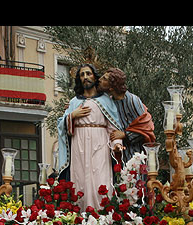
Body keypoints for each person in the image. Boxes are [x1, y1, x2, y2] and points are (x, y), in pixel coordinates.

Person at [56, 64, 124, 210]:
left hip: (100, 144)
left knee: (101, 178)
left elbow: (113, 126)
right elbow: (61, 125)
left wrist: (117, 143)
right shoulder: (74, 102)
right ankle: (81, 216)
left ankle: (102, 214)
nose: (85, 77)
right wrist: (72, 116)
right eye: (82, 75)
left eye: (88, 73)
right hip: (78, 145)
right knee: (80, 180)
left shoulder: (106, 100)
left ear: (95, 76)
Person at [97, 67, 156, 163]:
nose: (100, 80)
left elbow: (147, 127)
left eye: (104, 79)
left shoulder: (133, 101)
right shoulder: (109, 101)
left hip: (136, 153)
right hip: (117, 151)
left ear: (112, 87)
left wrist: (125, 135)